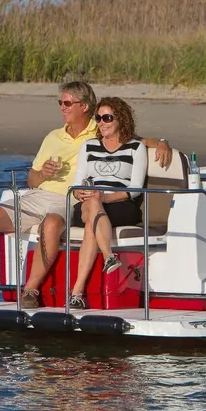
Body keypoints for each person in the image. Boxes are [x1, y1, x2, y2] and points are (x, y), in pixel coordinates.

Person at [0, 81, 172, 309]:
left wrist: (161, 142)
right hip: (39, 195)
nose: (62, 107)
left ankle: (30, 290)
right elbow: (31, 180)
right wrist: (43, 173)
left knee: (52, 224)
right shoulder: (53, 137)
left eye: (67, 103)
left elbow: (133, 140)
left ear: (83, 106)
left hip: (68, 200)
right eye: (60, 103)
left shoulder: (99, 128)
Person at [68, 97, 147, 309]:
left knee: (90, 226)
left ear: (120, 119)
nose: (101, 122)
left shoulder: (136, 147)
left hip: (120, 203)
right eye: (98, 118)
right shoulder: (89, 146)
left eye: (107, 117)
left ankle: (77, 291)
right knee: (92, 204)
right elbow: (76, 186)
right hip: (89, 202)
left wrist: (104, 197)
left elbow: (135, 190)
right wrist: (80, 194)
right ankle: (109, 257)